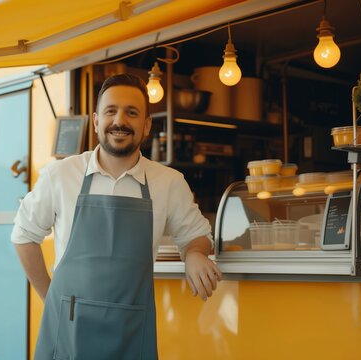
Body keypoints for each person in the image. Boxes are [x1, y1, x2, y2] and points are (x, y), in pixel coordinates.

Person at [12, 73, 222, 360]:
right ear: (97, 121)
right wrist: (50, 299)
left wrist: (195, 253)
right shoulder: (61, 174)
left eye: (131, 113)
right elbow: (24, 235)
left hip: (132, 331)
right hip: (69, 331)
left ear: (146, 125)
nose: (119, 121)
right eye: (111, 111)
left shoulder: (169, 182)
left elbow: (197, 235)